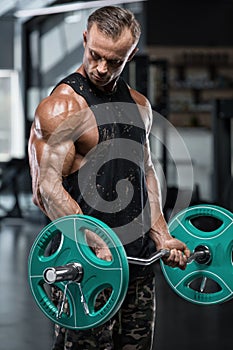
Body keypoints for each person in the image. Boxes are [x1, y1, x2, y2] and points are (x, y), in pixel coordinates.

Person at [28, 6, 190, 350]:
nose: (102, 68)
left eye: (114, 61)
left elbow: (145, 171)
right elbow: (46, 188)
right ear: (85, 39)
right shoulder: (63, 108)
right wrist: (96, 243)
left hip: (138, 263)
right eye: (95, 55)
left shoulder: (139, 105)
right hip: (85, 267)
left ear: (131, 54)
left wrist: (162, 235)